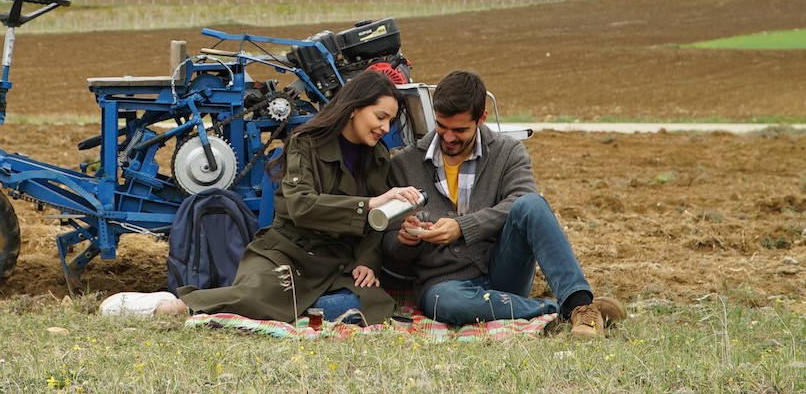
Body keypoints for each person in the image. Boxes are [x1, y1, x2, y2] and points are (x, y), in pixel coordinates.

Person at [100, 68, 423, 324]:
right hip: (285, 254)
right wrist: (369, 204)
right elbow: (301, 206)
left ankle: (302, 308)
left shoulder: (378, 156)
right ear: (354, 108)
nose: (385, 128)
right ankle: (171, 306)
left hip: (336, 263)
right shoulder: (306, 143)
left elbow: (376, 224)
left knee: (373, 303)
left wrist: (366, 261)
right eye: (380, 117)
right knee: (258, 297)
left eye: (390, 121)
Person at [382, 69, 626, 338]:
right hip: (444, 284)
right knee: (446, 302)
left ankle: (581, 304)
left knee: (531, 204)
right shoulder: (403, 164)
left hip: (505, 272)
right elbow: (388, 244)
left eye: (460, 130)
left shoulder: (508, 151)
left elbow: (520, 200)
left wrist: (462, 227)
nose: (448, 137)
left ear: (482, 118)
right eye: (442, 126)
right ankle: (566, 309)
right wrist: (406, 240)